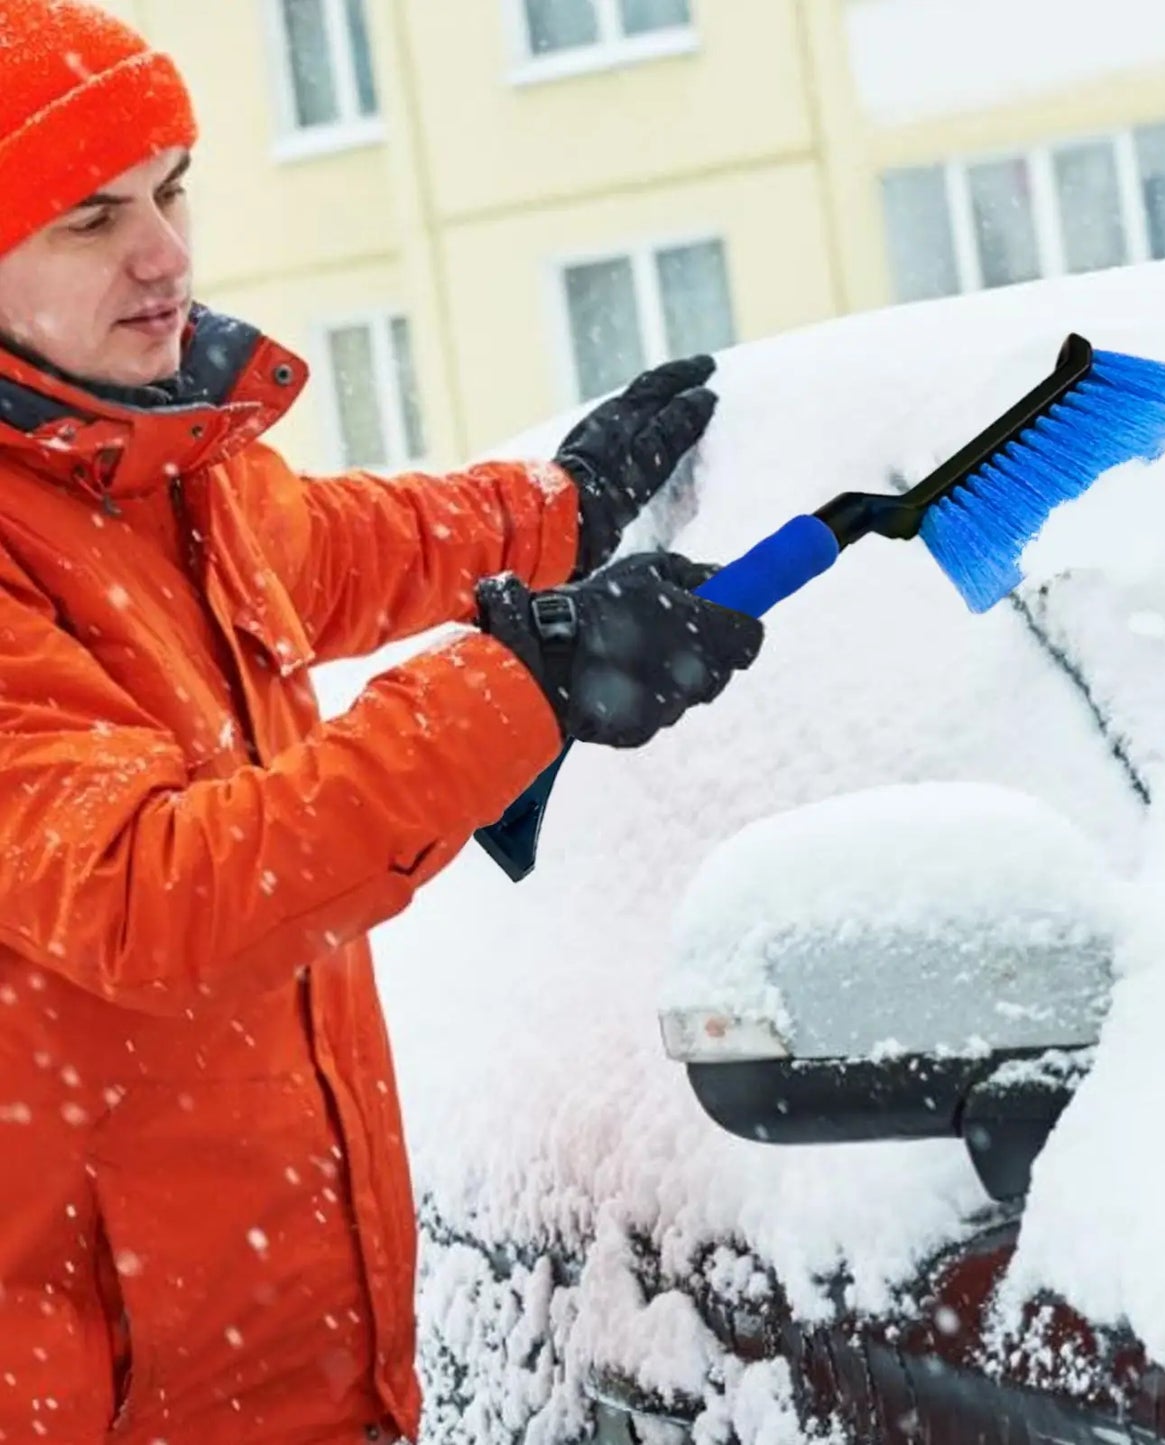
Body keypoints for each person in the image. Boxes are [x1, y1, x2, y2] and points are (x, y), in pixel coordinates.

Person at [0, 4, 764, 1443]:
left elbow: (347, 547)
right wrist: (527, 684)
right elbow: (155, 890)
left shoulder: (163, 474)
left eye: (171, 190)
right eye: (90, 218)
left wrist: (560, 510)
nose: (164, 254)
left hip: (309, 1373)